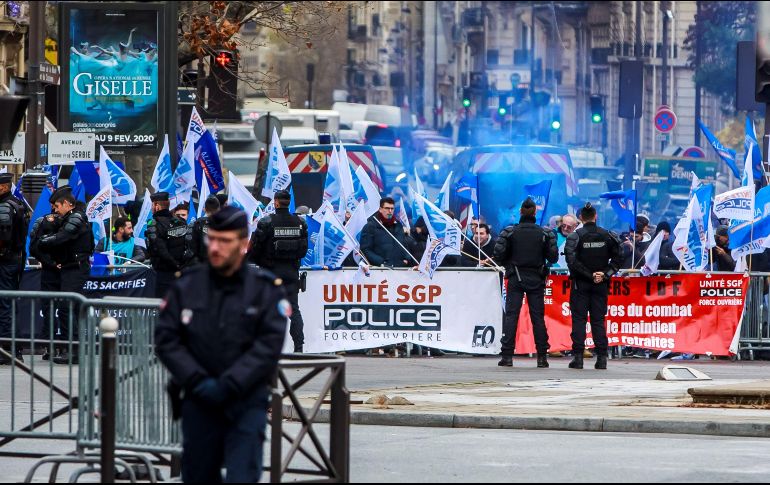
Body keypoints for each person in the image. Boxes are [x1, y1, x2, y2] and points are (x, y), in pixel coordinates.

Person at [155, 206, 288, 483]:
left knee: (242, 476)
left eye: (224, 241)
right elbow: (167, 339)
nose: (215, 247)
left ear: (243, 243)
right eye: (212, 239)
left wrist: (230, 384)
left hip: (245, 401)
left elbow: (268, 345)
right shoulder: (188, 285)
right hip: (199, 399)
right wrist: (197, 380)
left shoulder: (264, 289)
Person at [493, 199, 559, 368]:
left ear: (521, 212)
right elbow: (553, 257)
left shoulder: (509, 232)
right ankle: (542, 357)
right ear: (535, 213)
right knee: (538, 318)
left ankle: (507, 356)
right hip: (536, 277)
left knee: (511, 316)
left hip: (515, 276)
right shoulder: (545, 233)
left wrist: (510, 261)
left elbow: (498, 255)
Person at [37, 186, 93, 365]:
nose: (55, 209)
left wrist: (43, 242)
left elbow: (64, 236)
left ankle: (73, 350)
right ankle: (74, 348)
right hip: (70, 267)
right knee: (70, 308)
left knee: (66, 308)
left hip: (76, 268)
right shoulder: (68, 217)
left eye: (57, 205)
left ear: (67, 203)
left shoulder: (75, 217)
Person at [564, 203, 622, 370]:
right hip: (600, 284)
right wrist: (604, 274)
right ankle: (602, 358)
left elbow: (572, 262)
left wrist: (591, 275)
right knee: (598, 320)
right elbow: (619, 258)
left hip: (581, 284)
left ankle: (578, 358)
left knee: (579, 320)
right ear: (595, 216)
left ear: (581, 217)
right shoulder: (607, 235)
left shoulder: (575, 236)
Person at [249, 189, 308, 353]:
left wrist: (257, 261)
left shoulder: (266, 222)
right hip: (290, 273)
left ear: (275, 202)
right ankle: (299, 347)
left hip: (270, 273)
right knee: (294, 310)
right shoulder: (300, 223)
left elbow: (255, 249)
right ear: (288, 202)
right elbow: (303, 251)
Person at [0, 173, 27, 364]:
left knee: (4, 305)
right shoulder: (18, 203)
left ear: (4, 187)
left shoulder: (5, 206)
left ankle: (7, 350)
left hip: (5, 261)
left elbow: (3, 238)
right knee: (9, 303)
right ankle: (13, 348)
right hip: (14, 259)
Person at [29, 203, 61, 361]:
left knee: (52, 308)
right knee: (61, 309)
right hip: (63, 269)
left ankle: (53, 346)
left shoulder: (43, 221)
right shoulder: (69, 220)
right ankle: (59, 346)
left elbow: (34, 247)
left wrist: (48, 262)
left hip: (53, 269)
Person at [145, 192, 193, 298]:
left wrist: (175, 265)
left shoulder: (155, 224)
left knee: (162, 307)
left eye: (152, 205)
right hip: (182, 273)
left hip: (163, 273)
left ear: (156, 206)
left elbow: (160, 249)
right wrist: (181, 266)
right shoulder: (180, 222)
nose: (151, 208)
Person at [360, 197, 414, 267]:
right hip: (380, 270)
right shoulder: (370, 226)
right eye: (387, 208)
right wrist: (382, 262)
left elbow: (404, 245)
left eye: (392, 208)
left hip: (399, 269)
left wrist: (407, 259)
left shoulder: (398, 225)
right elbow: (365, 249)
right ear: (380, 209)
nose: (390, 211)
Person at [190, 196, 221, 264]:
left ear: (204, 209)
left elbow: (193, 245)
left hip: (202, 263)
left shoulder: (198, 223)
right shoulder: (225, 222)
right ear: (219, 209)